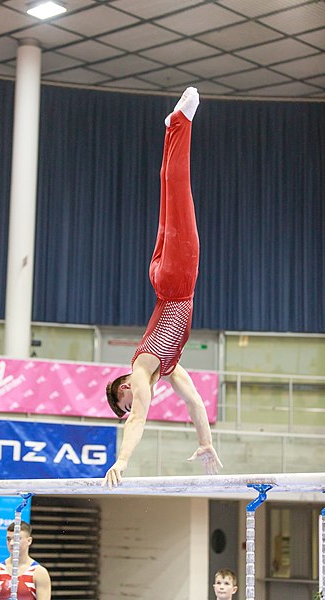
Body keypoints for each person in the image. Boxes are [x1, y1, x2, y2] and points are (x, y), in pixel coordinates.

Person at [104, 87, 222, 488]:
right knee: (169, 193)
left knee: (178, 191)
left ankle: (180, 123)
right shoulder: (167, 368)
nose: (132, 402)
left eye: (124, 401)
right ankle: (172, 129)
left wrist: (121, 462)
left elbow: (138, 418)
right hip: (164, 278)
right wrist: (205, 442)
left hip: (175, 282)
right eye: (128, 403)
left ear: (123, 387)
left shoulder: (139, 371)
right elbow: (194, 401)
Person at [0, 521, 51, 600]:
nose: (11, 543)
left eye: (16, 539)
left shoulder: (39, 573)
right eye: (8, 539)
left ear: (29, 541)